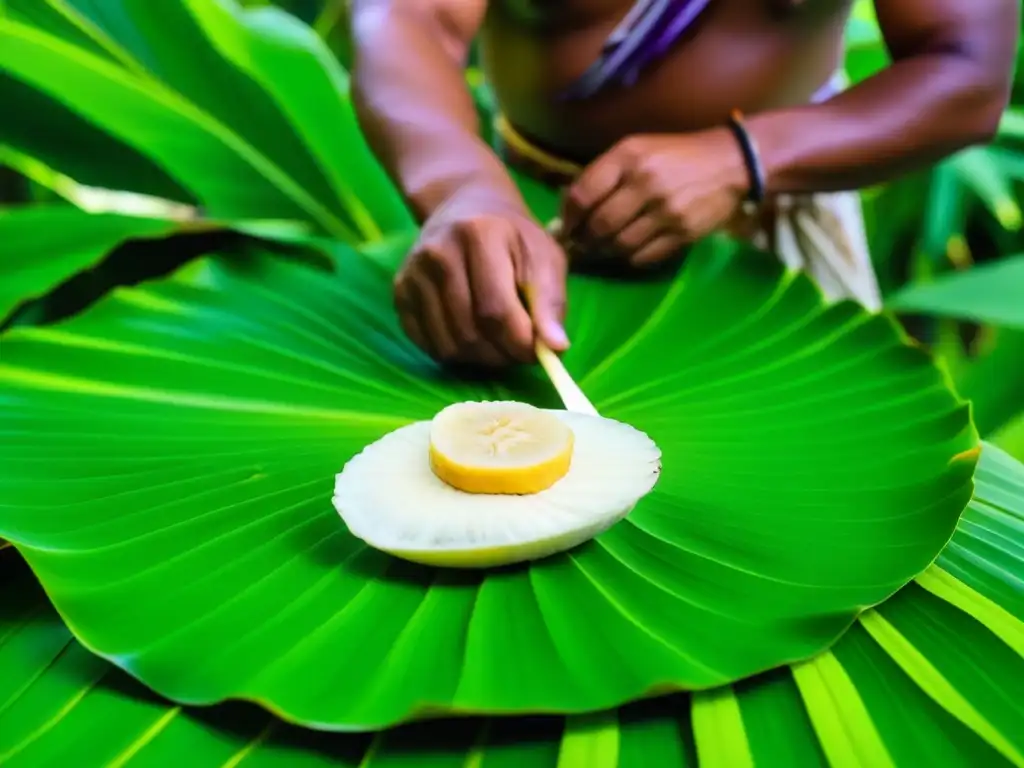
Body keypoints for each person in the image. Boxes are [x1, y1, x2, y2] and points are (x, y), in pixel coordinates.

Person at [350, 0, 1018, 368]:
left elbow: (964, 68)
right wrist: (467, 190)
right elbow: (405, 18)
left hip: (779, 229)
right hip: (525, 224)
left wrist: (740, 160)